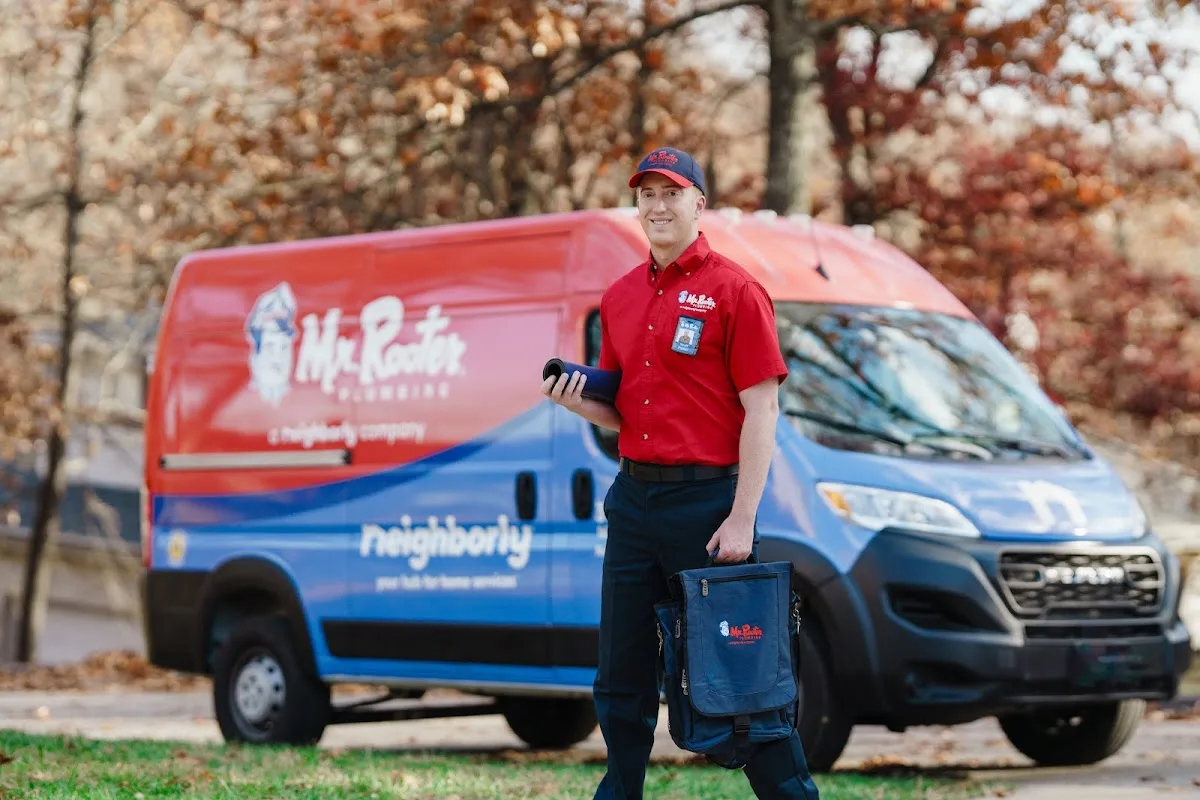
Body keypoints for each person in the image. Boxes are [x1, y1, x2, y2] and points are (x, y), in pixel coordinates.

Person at [540, 147, 821, 800]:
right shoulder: (620, 296)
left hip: (708, 505)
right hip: (634, 501)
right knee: (621, 675)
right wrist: (574, 400)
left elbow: (762, 409)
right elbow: (619, 410)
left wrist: (742, 517)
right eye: (647, 194)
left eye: (672, 193)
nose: (658, 206)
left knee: (741, 673)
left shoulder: (735, 290)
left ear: (699, 203)